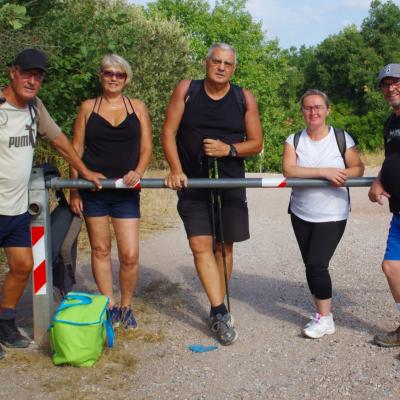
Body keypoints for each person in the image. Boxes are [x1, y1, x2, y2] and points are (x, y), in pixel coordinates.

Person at [0, 48, 104, 359]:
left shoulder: (35, 108)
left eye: (38, 77)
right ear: (12, 72)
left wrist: (84, 172)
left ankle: (5, 323)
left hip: (16, 208)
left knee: (23, 266)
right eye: (27, 73)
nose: (32, 81)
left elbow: (59, 140)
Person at [161, 43, 263, 345]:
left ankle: (215, 299)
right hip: (192, 181)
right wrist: (175, 168)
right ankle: (219, 311)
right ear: (206, 62)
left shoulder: (243, 97)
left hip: (229, 181)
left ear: (233, 68)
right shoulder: (186, 89)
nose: (221, 67)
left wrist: (228, 149)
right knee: (199, 243)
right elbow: (168, 132)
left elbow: (256, 143)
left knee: (224, 247)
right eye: (216, 61)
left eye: (227, 63)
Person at [69, 54, 152, 330]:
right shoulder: (87, 107)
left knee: (129, 254)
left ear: (126, 79)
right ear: (101, 76)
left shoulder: (137, 107)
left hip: (126, 192)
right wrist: (75, 190)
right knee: (101, 249)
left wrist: (138, 172)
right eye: (108, 73)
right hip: (93, 190)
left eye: (119, 74)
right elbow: (76, 150)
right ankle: (109, 304)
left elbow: (146, 148)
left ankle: (126, 305)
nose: (113, 78)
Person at [283, 89, 364, 339]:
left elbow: (358, 168)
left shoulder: (341, 138)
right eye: (308, 107)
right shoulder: (294, 140)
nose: (313, 112)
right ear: (302, 112)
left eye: (318, 107)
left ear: (328, 110)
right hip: (300, 212)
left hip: (333, 213)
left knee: (318, 264)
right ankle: (320, 313)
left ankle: (326, 319)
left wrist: (340, 175)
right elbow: (289, 169)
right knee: (310, 265)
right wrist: (324, 172)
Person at [369, 64, 400, 347]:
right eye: (386, 84)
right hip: (399, 213)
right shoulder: (391, 123)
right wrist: (379, 180)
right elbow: (391, 159)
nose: (391, 87)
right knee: (391, 267)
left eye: (396, 82)